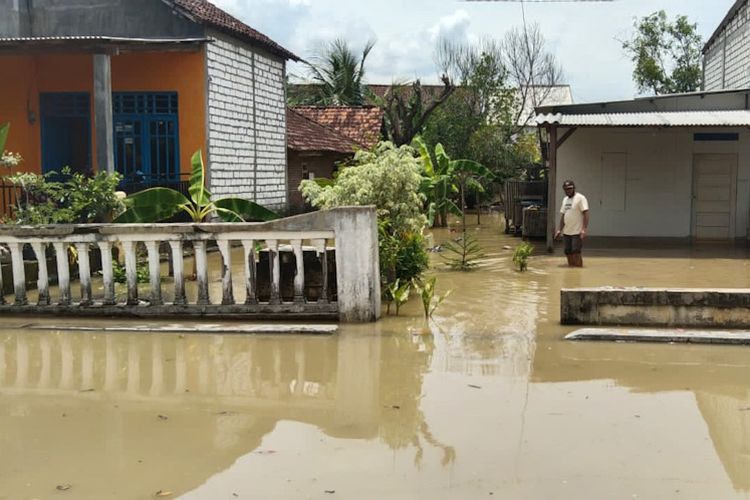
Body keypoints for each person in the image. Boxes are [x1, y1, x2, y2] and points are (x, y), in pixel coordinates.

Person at [554, 180, 589, 267]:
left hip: (577, 232)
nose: (568, 190)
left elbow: (586, 213)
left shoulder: (580, 198)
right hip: (566, 232)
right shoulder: (565, 199)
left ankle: (578, 270)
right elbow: (563, 216)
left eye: (570, 188)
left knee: (576, 251)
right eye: (566, 189)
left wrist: (584, 229)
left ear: (574, 188)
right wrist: (559, 230)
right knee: (568, 251)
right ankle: (571, 269)